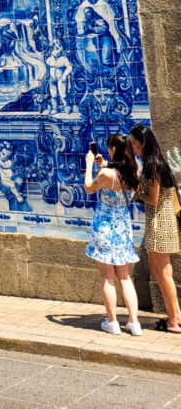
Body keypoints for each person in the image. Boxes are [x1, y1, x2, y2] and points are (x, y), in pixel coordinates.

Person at [84, 135, 142, 336]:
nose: (108, 152)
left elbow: (89, 188)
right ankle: (134, 323)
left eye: (109, 149)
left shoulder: (107, 175)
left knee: (107, 277)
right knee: (125, 277)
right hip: (123, 230)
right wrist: (105, 163)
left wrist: (90, 164)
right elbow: (120, 171)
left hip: (105, 229)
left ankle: (112, 321)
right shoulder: (135, 171)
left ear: (114, 150)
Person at [130, 124, 181, 333]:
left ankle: (174, 319)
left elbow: (153, 198)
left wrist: (137, 195)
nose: (133, 147)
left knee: (162, 273)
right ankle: (175, 316)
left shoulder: (153, 165)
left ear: (143, 143)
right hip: (162, 222)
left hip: (160, 223)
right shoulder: (155, 163)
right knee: (162, 271)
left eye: (134, 143)